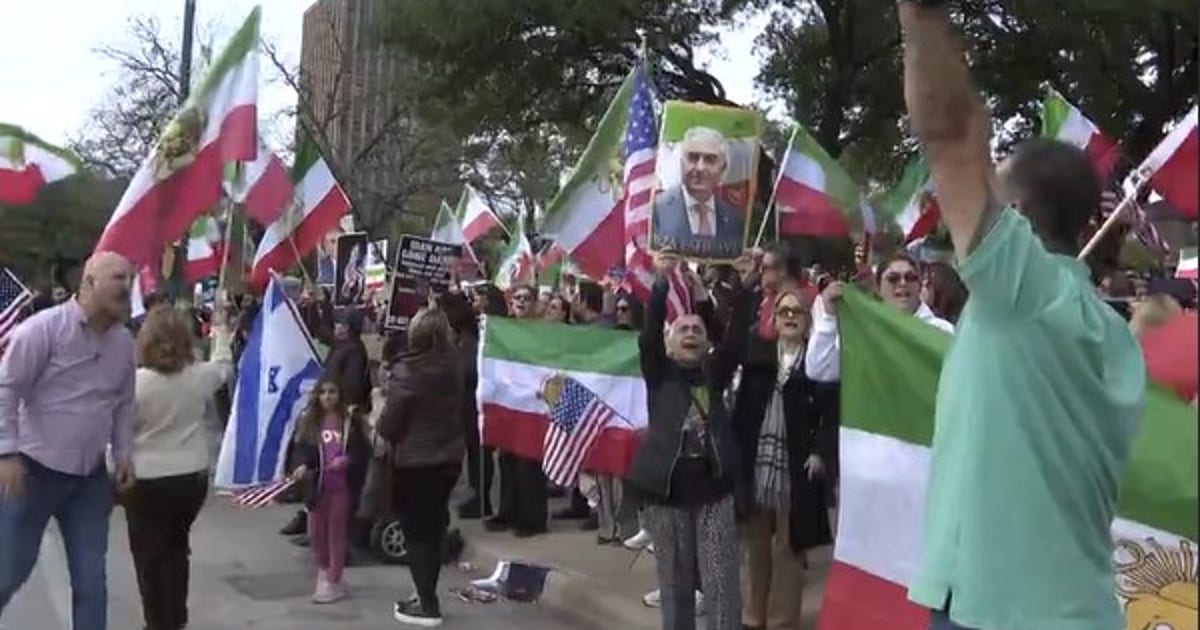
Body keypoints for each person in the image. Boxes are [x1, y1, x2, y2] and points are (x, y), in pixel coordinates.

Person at [897, 4, 1147, 629]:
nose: (963, 210)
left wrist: (920, 14)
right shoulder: (1108, 331)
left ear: (1020, 216)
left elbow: (951, 135)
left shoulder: (1022, 295)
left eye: (994, 193)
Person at [0, 251, 136, 630]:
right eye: (118, 279)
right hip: (30, 472)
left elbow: (124, 402)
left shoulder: (124, 343)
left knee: (91, 580)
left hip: (89, 478)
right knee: (8, 571)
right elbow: (6, 389)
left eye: (129, 279)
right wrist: (6, 452)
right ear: (89, 282)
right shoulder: (41, 331)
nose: (127, 288)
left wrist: (123, 453)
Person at [628, 254, 742, 630]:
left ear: (707, 341)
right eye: (683, 330)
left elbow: (735, 338)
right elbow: (647, 337)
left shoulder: (715, 373)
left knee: (721, 585)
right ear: (670, 343)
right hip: (668, 495)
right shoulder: (659, 375)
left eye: (697, 329)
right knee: (675, 586)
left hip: (714, 493)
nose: (691, 333)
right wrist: (661, 283)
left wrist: (726, 294)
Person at [727, 273, 833, 630]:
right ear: (772, 320)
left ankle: (781, 621)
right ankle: (752, 618)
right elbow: (740, 416)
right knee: (755, 549)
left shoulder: (819, 364)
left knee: (788, 551)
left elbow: (831, 415)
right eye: (783, 312)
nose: (790, 317)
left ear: (807, 322)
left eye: (797, 313)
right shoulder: (757, 361)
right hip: (757, 468)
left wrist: (821, 453)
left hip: (797, 470)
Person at [126, 304, 233, 630]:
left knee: (149, 558)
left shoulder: (135, 385)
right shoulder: (198, 376)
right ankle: (176, 618)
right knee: (176, 549)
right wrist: (222, 330)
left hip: (146, 481)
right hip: (190, 478)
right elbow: (224, 366)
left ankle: (157, 621)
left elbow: (118, 433)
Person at [378, 306, 464, 627]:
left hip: (416, 461)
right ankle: (425, 592)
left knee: (416, 534)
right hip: (450, 459)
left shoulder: (409, 371)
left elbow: (389, 425)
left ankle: (427, 604)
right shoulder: (453, 365)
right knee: (434, 528)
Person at [292, 378, 368, 604]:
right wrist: (302, 465)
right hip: (317, 488)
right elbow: (302, 450)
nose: (327, 397)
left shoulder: (349, 422)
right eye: (323, 392)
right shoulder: (309, 422)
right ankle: (326, 572)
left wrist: (348, 459)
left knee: (336, 534)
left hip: (341, 489)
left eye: (332, 392)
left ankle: (334, 578)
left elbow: (361, 451)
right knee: (316, 534)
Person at [485, 285, 549, 538]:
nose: (520, 302)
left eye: (526, 298)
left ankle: (533, 518)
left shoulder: (542, 332)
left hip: (532, 405)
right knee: (507, 459)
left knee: (528, 464)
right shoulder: (504, 330)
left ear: (534, 304)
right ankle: (508, 511)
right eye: (517, 298)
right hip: (509, 404)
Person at [650, 127, 747, 260]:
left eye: (710, 159)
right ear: (681, 163)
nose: (700, 168)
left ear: (723, 168)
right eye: (693, 157)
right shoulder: (656, 209)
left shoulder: (735, 218)